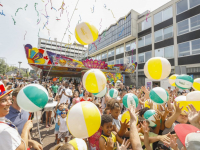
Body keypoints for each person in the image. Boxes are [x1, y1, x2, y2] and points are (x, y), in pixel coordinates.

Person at [0, 82, 42, 150]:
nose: (9, 103)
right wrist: (26, 128)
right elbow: (20, 148)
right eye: (4, 100)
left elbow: (13, 140)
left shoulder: (26, 110)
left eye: (8, 99)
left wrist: (29, 141)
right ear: (14, 97)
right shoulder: (3, 129)